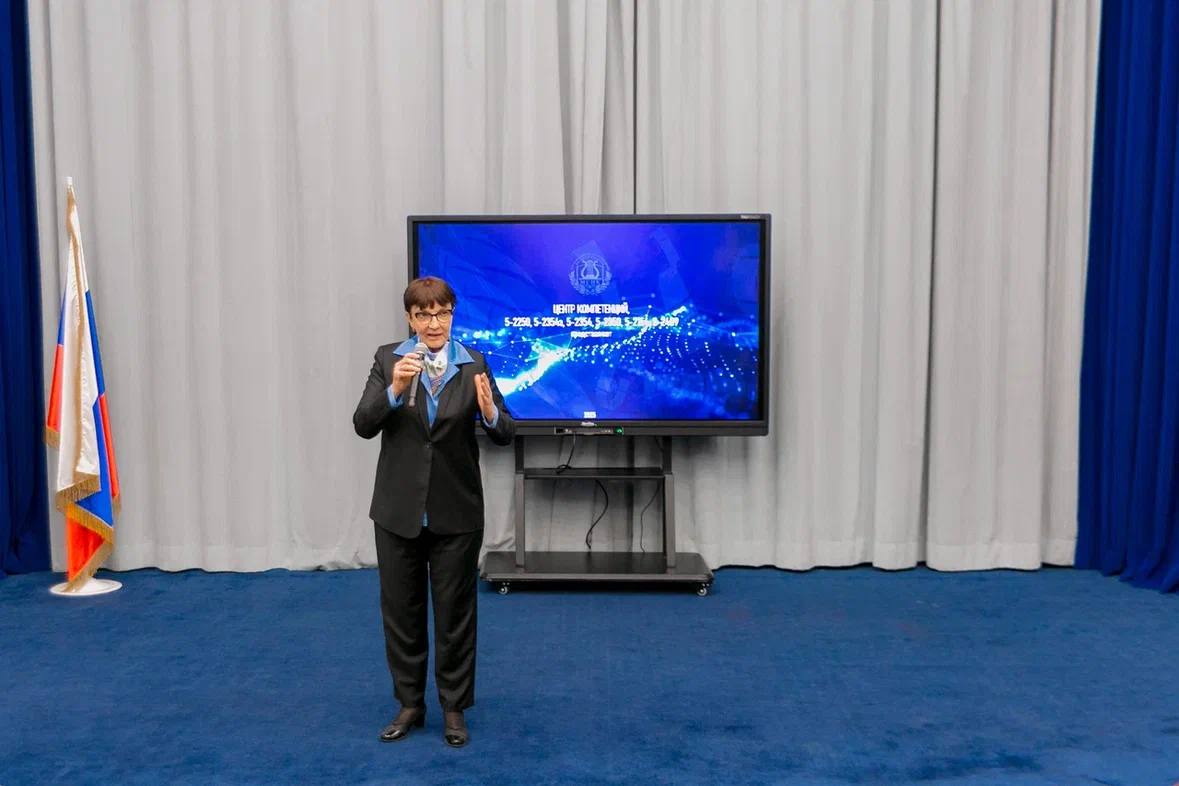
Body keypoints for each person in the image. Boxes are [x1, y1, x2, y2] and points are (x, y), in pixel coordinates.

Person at [353, 276, 515, 748]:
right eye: (423, 315)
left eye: (442, 313)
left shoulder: (474, 363)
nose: (434, 323)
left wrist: (489, 412)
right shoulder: (389, 359)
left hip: (456, 511)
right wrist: (394, 389)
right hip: (398, 510)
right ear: (410, 318)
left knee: (455, 615)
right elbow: (363, 424)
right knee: (401, 613)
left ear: (452, 314)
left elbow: (506, 431)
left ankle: (454, 708)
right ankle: (409, 704)